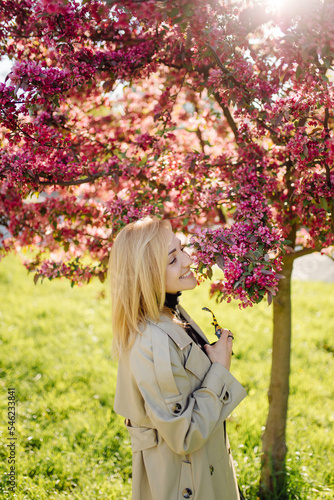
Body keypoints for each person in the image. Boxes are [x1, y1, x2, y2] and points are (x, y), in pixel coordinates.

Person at [110, 216, 247, 500]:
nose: (187, 260)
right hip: (188, 482)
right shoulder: (152, 341)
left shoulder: (171, 312)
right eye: (172, 260)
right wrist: (220, 368)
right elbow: (184, 434)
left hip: (203, 468)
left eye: (182, 248)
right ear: (147, 275)